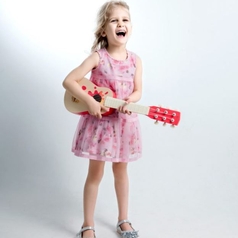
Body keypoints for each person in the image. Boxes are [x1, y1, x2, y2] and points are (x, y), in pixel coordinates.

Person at [63, 1, 142, 237]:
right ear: (103, 30)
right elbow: (69, 80)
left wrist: (131, 100)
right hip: (101, 127)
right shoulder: (98, 57)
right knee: (95, 175)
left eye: (125, 20)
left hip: (124, 125)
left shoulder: (136, 60)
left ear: (131, 26)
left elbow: (138, 90)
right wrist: (90, 101)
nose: (120, 24)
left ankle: (123, 220)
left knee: (121, 173)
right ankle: (88, 225)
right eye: (114, 20)